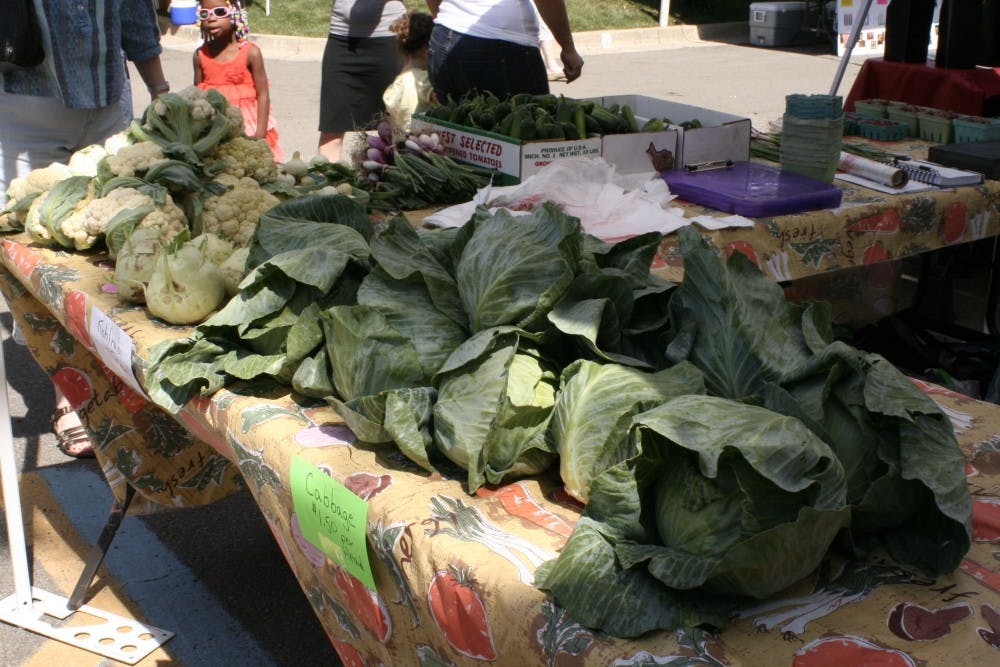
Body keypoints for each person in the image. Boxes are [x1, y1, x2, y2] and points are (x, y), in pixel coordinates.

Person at [0, 0, 168, 458]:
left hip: (107, 103)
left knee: (106, 259)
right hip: (23, 107)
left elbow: (134, 14)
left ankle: (116, 384)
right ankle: (69, 399)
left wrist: (160, 89)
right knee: (45, 262)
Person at [425, 0, 584, 103]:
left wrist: (445, 19)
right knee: (528, 143)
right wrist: (568, 48)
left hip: (444, 35)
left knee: (454, 143)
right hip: (502, 47)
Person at [193, 0, 285, 161]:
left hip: (249, 127)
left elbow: (263, 94)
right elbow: (196, 98)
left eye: (220, 12)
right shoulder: (200, 56)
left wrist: (260, 135)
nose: (211, 19)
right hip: (214, 131)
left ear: (235, 15)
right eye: (204, 14)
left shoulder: (251, 53)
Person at [318, 0, 406, 163]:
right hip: (341, 40)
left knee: (395, 127)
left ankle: (396, 181)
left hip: (388, 40)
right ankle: (326, 184)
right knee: (332, 128)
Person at [383, 11, 434, 134]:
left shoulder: (397, 83)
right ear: (426, 50)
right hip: (425, 140)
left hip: (402, 141)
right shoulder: (423, 80)